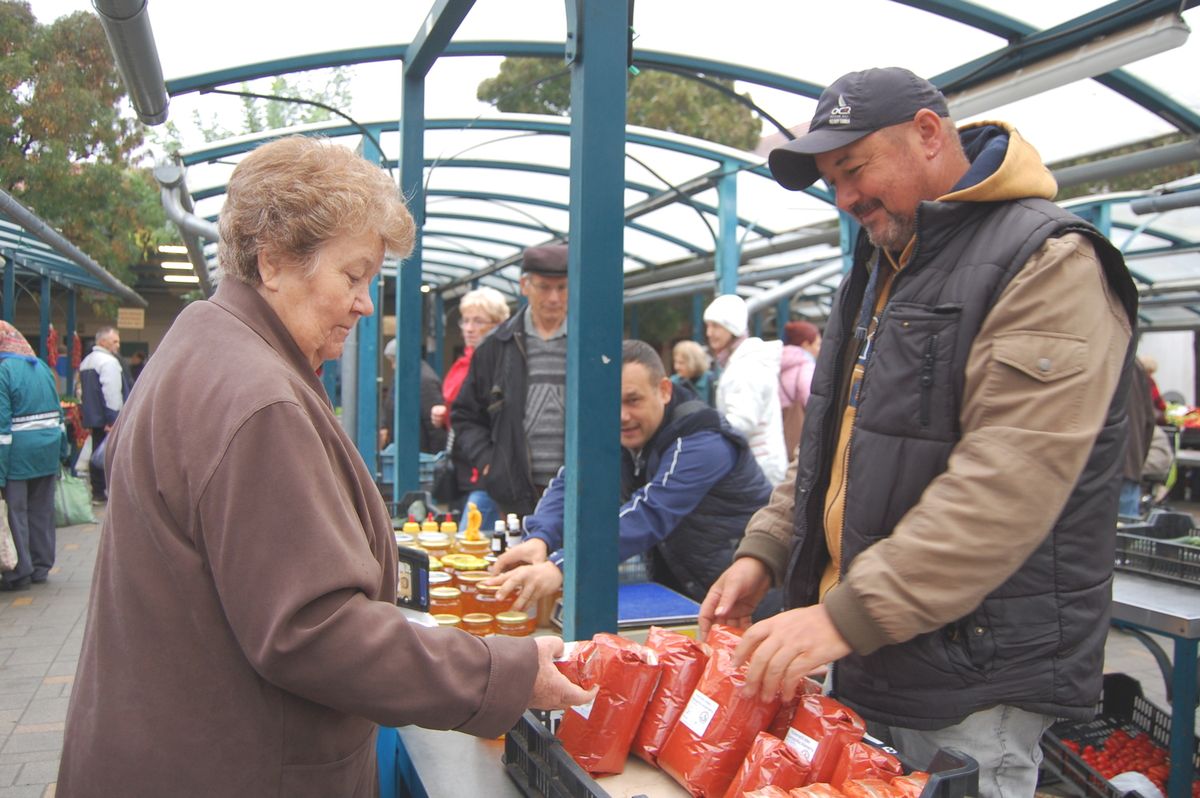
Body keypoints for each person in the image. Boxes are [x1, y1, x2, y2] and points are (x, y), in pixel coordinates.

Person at [58, 136, 590, 797]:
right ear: (275, 259)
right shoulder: (258, 397)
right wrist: (500, 674)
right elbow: (313, 629)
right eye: (354, 275)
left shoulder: (208, 347)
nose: (367, 302)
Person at [699, 67, 1137, 798]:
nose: (844, 198)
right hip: (873, 653)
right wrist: (769, 548)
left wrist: (847, 614)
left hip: (969, 674)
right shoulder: (884, 268)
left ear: (929, 135)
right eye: (831, 180)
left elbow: (1008, 481)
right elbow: (835, 447)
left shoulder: (1050, 261)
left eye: (854, 168)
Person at [488, 340, 772, 607]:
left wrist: (563, 565)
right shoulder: (620, 433)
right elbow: (571, 484)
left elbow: (650, 511)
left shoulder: (703, 440)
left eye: (633, 400)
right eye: (612, 403)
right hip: (684, 593)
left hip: (748, 599)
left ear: (664, 390)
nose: (622, 415)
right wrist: (541, 537)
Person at [451, 244, 569, 517]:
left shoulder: (590, 345)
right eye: (543, 287)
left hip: (579, 493)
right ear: (524, 286)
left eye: (562, 287)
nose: (554, 298)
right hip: (515, 497)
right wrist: (489, 462)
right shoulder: (495, 346)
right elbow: (465, 414)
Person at [430, 286, 510, 526]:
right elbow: (466, 412)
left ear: (498, 324)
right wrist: (445, 416)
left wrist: (488, 463)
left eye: (478, 321)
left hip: (487, 474)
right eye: (465, 321)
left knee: (470, 542)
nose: (469, 328)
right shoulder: (467, 361)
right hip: (466, 468)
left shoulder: (499, 362)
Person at [0, 323, 66, 592]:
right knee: (41, 510)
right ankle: (42, 565)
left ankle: (21, 571)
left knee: (16, 512)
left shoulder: (3, 371)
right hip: (48, 450)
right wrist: (62, 454)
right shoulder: (40, 366)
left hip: (19, 454)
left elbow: (2, 428)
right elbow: (59, 413)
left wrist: (1, 470)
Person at [703, 293, 788, 485]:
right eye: (708, 325)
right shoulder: (742, 362)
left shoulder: (746, 367)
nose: (709, 333)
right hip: (759, 463)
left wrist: (707, 430)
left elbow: (743, 421)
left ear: (732, 328)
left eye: (715, 325)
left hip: (758, 467)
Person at [77, 325, 130, 502]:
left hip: (93, 418)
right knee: (109, 455)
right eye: (115, 341)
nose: (118, 345)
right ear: (103, 341)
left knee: (96, 452)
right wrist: (114, 417)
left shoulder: (86, 362)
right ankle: (110, 491)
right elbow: (112, 391)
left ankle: (97, 491)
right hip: (108, 418)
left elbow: (80, 392)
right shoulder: (109, 362)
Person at [380, 338, 447, 455]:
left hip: (421, 454)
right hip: (405, 450)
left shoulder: (425, 381)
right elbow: (390, 403)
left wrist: (435, 461)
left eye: (394, 361)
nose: (393, 366)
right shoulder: (401, 376)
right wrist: (385, 425)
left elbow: (435, 428)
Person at [1121, 357, 1158, 519]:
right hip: (1129, 464)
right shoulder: (1135, 364)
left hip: (1097, 467)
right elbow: (1150, 420)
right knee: (1126, 534)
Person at [778, 320, 821, 459]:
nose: (820, 349)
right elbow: (811, 401)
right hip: (797, 431)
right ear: (805, 345)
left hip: (777, 429)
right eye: (817, 344)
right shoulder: (806, 366)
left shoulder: (776, 362)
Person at [669, 338, 715, 406]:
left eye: (681, 363)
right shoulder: (673, 382)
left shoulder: (711, 381)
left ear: (695, 362)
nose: (676, 367)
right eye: (675, 362)